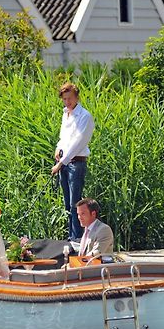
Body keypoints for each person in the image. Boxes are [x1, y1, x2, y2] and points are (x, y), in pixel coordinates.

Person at [51, 82, 94, 240]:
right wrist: (58, 148)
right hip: (64, 162)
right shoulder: (65, 114)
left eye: (69, 98)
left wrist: (60, 163)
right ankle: (72, 237)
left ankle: (77, 239)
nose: (67, 102)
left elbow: (78, 142)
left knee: (75, 203)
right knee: (67, 204)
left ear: (77, 97)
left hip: (76, 163)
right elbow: (64, 137)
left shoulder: (85, 116)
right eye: (64, 99)